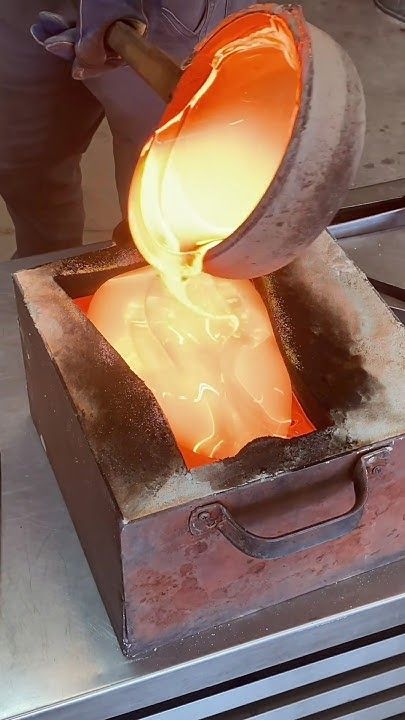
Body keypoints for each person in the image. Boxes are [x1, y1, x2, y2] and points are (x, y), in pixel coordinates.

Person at [0, 1, 250, 258]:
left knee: (164, 210)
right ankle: (44, 270)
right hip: (26, 8)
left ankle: (167, 282)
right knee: (27, 169)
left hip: (168, 14)